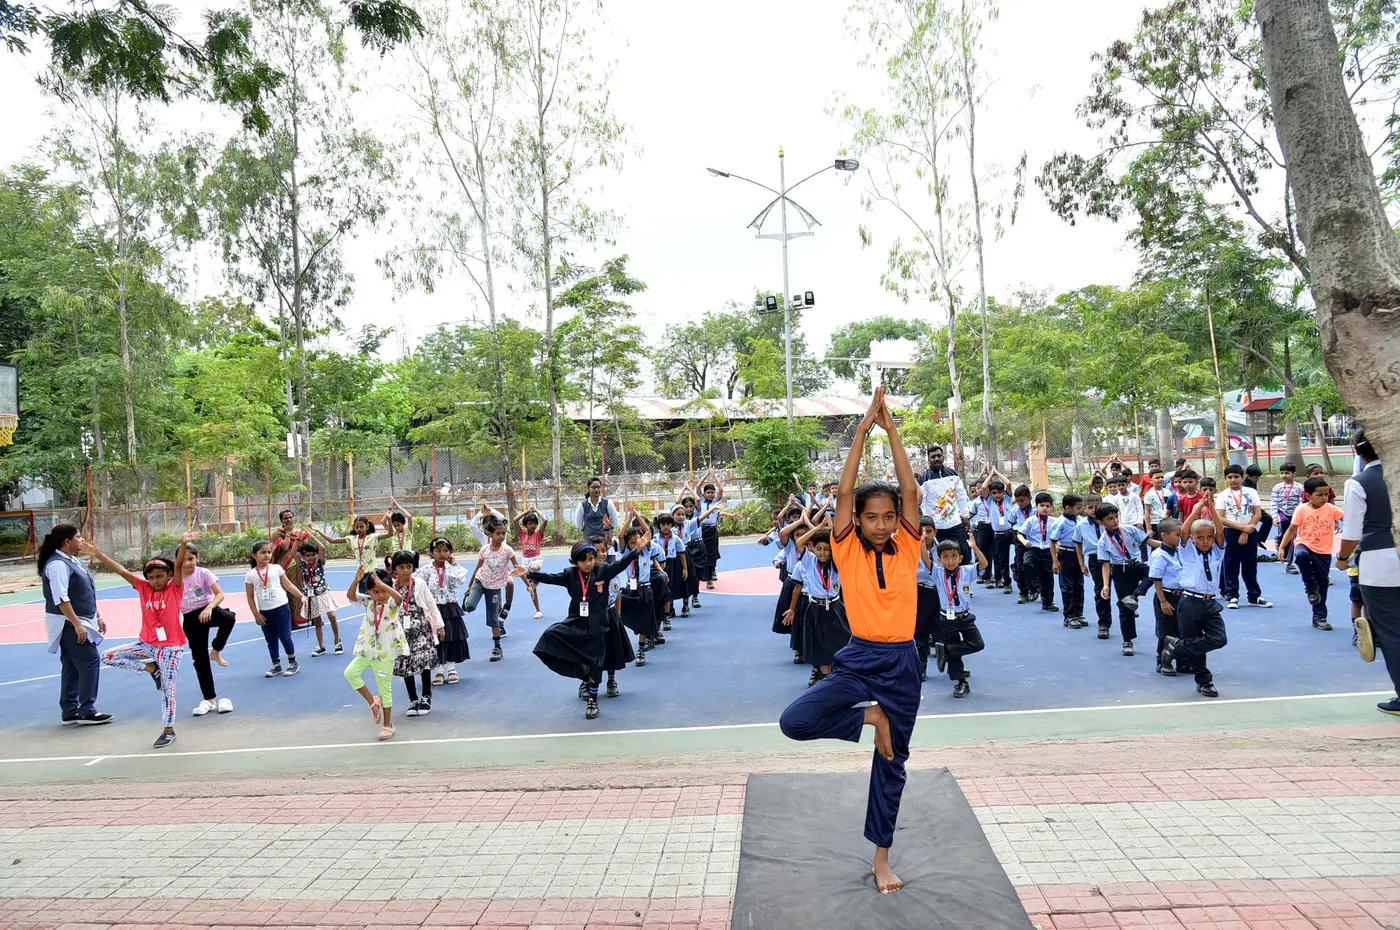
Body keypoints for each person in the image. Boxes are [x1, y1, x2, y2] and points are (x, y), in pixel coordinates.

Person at [778, 387, 922, 895]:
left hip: (901, 663)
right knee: (794, 721)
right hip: (859, 659)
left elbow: (910, 491)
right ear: (856, 520)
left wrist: (893, 431)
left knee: (892, 763)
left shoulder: (908, 546)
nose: (882, 525)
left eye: (888, 517)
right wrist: (862, 431)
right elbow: (843, 493)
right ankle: (871, 717)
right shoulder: (846, 550)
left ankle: (882, 859)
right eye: (871, 517)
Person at [86, 533, 198, 748]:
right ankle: (151, 669)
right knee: (108, 656)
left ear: (168, 576)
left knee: (168, 690)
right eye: (151, 577)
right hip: (146, 644)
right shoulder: (144, 588)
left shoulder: (175, 588)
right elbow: (121, 571)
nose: (155, 581)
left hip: (169, 649)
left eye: (160, 576)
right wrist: (98, 554)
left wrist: (183, 543)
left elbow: (178, 565)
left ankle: (168, 730)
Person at [519, 539, 640, 720]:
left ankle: (592, 701)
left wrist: (637, 549)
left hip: (598, 626)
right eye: (583, 560)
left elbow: (621, 564)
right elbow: (551, 578)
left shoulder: (603, 571)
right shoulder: (570, 575)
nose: (588, 563)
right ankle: (582, 676)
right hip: (577, 623)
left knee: (596, 663)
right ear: (575, 562)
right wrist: (529, 573)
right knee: (551, 633)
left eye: (591, 559)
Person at [1335, 428, 1400, 716]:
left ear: (1358, 452)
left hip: (1380, 563)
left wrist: (1342, 558)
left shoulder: (1359, 483)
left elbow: (1351, 532)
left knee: (1391, 632)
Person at [39, 524, 111, 726]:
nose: (81, 540)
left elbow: (85, 592)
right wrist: (77, 624)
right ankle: (87, 709)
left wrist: (98, 615)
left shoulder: (72, 561)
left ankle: (70, 710)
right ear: (66, 541)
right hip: (68, 622)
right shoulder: (57, 565)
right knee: (90, 660)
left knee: (71, 664)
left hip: (80, 619)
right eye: (78, 537)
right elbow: (61, 598)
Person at [1160, 505, 1228, 698]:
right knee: (1195, 645)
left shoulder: (1217, 552)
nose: (1205, 541)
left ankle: (1176, 646)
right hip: (1189, 602)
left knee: (1219, 639)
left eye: (1209, 537)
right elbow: (1184, 530)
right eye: (1200, 537)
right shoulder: (1188, 552)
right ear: (1192, 538)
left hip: (1210, 603)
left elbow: (1220, 531)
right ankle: (1204, 681)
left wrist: (1212, 508)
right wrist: (1197, 509)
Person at [343, 565, 407, 741]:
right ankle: (373, 702)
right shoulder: (369, 602)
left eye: (383, 591)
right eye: (375, 592)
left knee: (385, 688)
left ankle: (388, 725)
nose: (381, 595)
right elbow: (351, 596)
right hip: (368, 650)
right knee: (350, 673)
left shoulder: (391, 604)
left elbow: (399, 598)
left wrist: (383, 584)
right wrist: (356, 581)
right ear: (369, 592)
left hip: (385, 653)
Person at [783, 517, 848, 688]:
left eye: (826, 549)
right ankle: (825, 677)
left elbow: (841, 544)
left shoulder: (837, 563)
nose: (822, 553)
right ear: (813, 549)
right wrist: (818, 527)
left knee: (841, 641)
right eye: (818, 549)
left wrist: (831, 528)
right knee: (819, 644)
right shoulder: (809, 561)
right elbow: (800, 543)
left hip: (834, 606)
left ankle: (838, 674)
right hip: (815, 608)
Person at [1278, 477, 1344, 631]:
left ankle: (1319, 617)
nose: (1324, 498)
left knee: (1323, 584)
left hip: (1324, 551)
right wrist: (1282, 547)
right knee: (1301, 555)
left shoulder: (1331, 509)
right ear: (1308, 496)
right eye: (1319, 495)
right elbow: (1292, 530)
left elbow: (1348, 518)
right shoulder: (1301, 509)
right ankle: (1309, 585)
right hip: (1304, 544)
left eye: (1326, 495)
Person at [180, 544, 237, 717]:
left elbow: (220, 594)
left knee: (228, 618)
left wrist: (209, 608)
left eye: (191, 559)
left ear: (197, 558)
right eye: (183, 560)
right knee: (200, 660)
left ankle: (216, 651)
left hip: (208, 610)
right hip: (191, 618)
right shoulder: (174, 578)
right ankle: (210, 699)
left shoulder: (203, 573)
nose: (188, 563)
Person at [929, 539, 989, 698]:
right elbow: (925, 560)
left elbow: (984, 564)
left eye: (954, 556)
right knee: (955, 654)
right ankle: (961, 683)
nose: (950, 561)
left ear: (960, 558)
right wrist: (921, 543)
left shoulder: (967, 571)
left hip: (965, 617)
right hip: (947, 619)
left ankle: (946, 650)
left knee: (978, 643)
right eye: (946, 557)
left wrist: (975, 547)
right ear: (939, 559)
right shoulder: (937, 573)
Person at [389, 551, 444, 716]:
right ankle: (413, 699)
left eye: (409, 566)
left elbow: (430, 603)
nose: (406, 570)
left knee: (424, 662)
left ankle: (426, 697)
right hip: (401, 632)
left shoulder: (419, 583)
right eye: (401, 567)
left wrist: (439, 625)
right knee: (406, 664)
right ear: (394, 569)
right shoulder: (391, 587)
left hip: (421, 628)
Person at [1095, 502, 1151, 656]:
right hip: (1120, 570)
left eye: (1116, 517)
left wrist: (1169, 546)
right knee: (1125, 607)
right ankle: (1128, 640)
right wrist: (1106, 585)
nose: (1115, 521)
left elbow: (1150, 542)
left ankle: (1135, 595)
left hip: (1136, 564)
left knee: (1154, 573)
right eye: (1110, 519)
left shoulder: (1130, 529)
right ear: (1101, 522)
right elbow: (1105, 564)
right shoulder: (1103, 541)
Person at [1216, 464, 1273, 609]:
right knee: (1231, 565)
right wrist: (1241, 528)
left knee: (1250, 565)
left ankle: (1254, 596)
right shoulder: (1223, 495)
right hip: (1231, 532)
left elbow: (1257, 513)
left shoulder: (1251, 492)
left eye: (1236, 477)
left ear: (1242, 478)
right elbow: (1220, 518)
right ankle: (1232, 596)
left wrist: (1247, 531)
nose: (1233, 480)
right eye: (1230, 477)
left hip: (1250, 531)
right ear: (1225, 479)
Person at [245, 540, 305, 678]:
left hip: (281, 608)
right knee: (271, 639)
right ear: (254, 555)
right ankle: (276, 664)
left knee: (285, 636)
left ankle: (292, 662)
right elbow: (250, 597)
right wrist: (256, 614)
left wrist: (301, 596)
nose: (267, 555)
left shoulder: (276, 568)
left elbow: (288, 585)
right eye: (263, 552)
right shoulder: (250, 575)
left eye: (269, 552)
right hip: (265, 612)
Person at [465, 513, 518, 662]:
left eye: (503, 533)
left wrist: (529, 586)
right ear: (490, 534)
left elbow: (518, 567)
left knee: (493, 619)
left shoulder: (507, 550)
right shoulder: (484, 550)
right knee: (470, 607)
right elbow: (478, 568)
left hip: (494, 587)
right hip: (480, 581)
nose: (501, 536)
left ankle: (497, 648)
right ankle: (467, 600)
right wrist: (469, 586)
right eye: (498, 533)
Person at [419, 537, 469, 685]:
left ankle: (451, 668)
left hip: (450, 608)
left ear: (450, 552)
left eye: (446, 551)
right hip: (434, 608)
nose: (442, 554)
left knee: (452, 638)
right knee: (436, 639)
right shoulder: (426, 570)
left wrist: (453, 564)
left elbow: (461, 579)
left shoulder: (453, 568)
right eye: (438, 551)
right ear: (431, 552)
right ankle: (439, 669)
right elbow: (417, 584)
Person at [918, 445, 973, 564]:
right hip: (937, 527)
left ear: (943, 457)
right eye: (933, 457)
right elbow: (922, 502)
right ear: (928, 459)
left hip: (955, 523)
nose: (936, 459)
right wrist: (927, 523)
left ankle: (963, 577)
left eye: (939, 456)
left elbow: (961, 495)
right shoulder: (924, 479)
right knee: (941, 557)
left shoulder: (953, 474)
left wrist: (965, 515)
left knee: (963, 554)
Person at [310, 515, 386, 594]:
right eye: (357, 527)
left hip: (372, 572)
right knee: (364, 597)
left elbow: (390, 534)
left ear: (367, 527)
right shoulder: (352, 539)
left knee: (374, 595)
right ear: (354, 528)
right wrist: (318, 530)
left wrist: (388, 519)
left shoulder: (372, 537)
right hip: (360, 573)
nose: (359, 529)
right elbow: (332, 540)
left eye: (361, 527)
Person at [1148, 518, 1185, 677]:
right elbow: (1156, 579)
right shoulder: (1159, 555)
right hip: (1167, 596)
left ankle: (1182, 661)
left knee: (1181, 630)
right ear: (1164, 535)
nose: (1181, 538)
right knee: (1166, 631)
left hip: (1182, 596)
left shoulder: (1180, 551)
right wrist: (1163, 601)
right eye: (1178, 535)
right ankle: (1162, 661)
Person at [1015, 491, 1059, 612]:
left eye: (1047, 506)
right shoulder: (1031, 520)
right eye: (1042, 505)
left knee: (1048, 577)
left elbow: (1057, 538)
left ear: (1051, 507)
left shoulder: (1054, 522)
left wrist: (1057, 546)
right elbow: (1020, 534)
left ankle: (1048, 602)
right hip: (1033, 549)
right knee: (1027, 564)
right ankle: (1033, 588)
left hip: (1047, 550)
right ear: (1036, 506)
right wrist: (1024, 541)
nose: (1044, 508)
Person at [296, 541, 341, 657]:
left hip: (323, 594)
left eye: (313, 554)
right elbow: (293, 553)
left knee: (332, 616)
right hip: (311, 596)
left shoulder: (320, 563)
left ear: (317, 554)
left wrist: (312, 534)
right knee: (317, 622)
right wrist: (297, 539)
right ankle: (321, 646)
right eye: (307, 555)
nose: (311, 557)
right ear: (303, 556)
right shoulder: (302, 565)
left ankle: (337, 642)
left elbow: (322, 547)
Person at [1077, 493, 1112, 636]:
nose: (1093, 510)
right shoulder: (1081, 525)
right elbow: (1078, 544)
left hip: (1114, 558)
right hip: (1095, 559)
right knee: (1101, 590)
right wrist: (1082, 564)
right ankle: (1104, 623)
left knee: (1122, 589)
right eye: (1089, 507)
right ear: (1084, 508)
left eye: (1096, 507)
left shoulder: (1110, 521)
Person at [1053, 493, 1086, 628]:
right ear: (1067, 508)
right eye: (1078, 508)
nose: (1081, 510)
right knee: (1067, 587)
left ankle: (1078, 613)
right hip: (1065, 554)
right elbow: (1052, 542)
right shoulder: (1060, 522)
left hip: (1078, 554)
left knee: (1079, 585)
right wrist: (1055, 561)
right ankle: (1069, 616)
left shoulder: (1080, 520)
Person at [514, 507, 547, 618]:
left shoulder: (538, 535)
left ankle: (536, 580)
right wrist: (527, 511)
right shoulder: (522, 534)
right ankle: (538, 610)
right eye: (530, 523)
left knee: (534, 568)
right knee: (532, 589)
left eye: (534, 523)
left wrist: (536, 510)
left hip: (536, 558)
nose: (533, 525)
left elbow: (545, 520)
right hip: (525, 560)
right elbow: (515, 520)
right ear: (525, 525)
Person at [984, 479, 1017, 592]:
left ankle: (1016, 567)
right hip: (999, 535)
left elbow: (1008, 483)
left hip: (1011, 532)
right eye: (994, 493)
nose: (997, 495)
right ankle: (1007, 583)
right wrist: (991, 474)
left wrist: (997, 473)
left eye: (999, 492)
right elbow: (984, 488)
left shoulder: (1007, 500)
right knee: (1003, 560)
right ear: (990, 494)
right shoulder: (989, 502)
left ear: (1003, 492)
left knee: (1021, 554)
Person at [1272, 463, 1305, 572]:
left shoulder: (1300, 487)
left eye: (1287, 473)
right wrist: (1274, 517)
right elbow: (1274, 503)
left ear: (1294, 474)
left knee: (1292, 537)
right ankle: (1279, 539)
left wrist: (1300, 516)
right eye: (1282, 473)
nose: (1284, 475)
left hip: (1295, 514)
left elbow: (1301, 503)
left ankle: (1289, 562)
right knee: (1283, 528)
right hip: (1282, 513)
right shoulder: (1277, 487)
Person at [269, 509, 310, 595]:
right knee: (285, 591)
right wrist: (287, 533)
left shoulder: (301, 533)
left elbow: (306, 549)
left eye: (290, 517)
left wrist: (299, 554)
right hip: (284, 566)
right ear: (281, 520)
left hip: (299, 564)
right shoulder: (277, 534)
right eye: (285, 518)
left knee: (299, 589)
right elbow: (284, 547)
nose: (288, 520)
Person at [573, 476, 620, 547]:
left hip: (605, 539)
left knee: (605, 553)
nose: (596, 489)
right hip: (589, 540)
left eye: (598, 487)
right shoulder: (582, 505)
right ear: (588, 488)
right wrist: (587, 531)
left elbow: (614, 522)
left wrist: (608, 530)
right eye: (593, 487)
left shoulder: (608, 503)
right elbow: (579, 524)